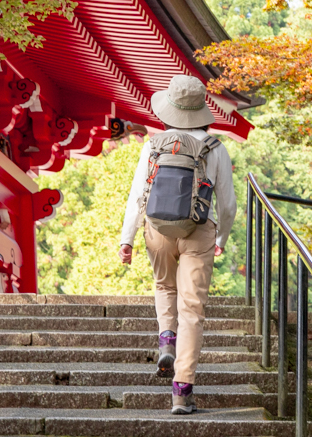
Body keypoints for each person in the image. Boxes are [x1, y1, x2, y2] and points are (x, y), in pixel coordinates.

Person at [117, 74, 236, 415]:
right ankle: (181, 392)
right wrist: (221, 238)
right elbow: (227, 205)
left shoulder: (153, 145)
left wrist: (127, 238)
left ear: (169, 109)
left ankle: (166, 338)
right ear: (200, 111)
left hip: (157, 228)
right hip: (199, 229)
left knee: (164, 285)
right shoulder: (215, 148)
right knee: (193, 310)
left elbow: (137, 196)